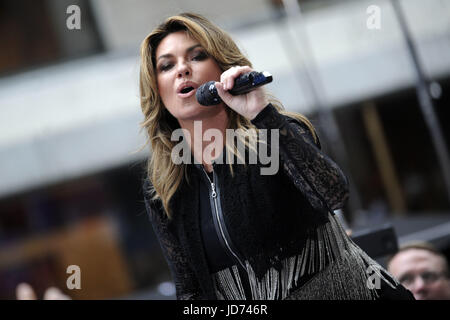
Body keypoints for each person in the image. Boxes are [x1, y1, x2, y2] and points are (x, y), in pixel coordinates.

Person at [140, 12, 414, 300]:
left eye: (197, 57)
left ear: (222, 68)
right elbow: (190, 291)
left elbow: (334, 195)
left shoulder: (274, 135)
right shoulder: (163, 186)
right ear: (157, 90)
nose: (182, 69)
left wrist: (261, 114)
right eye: (167, 65)